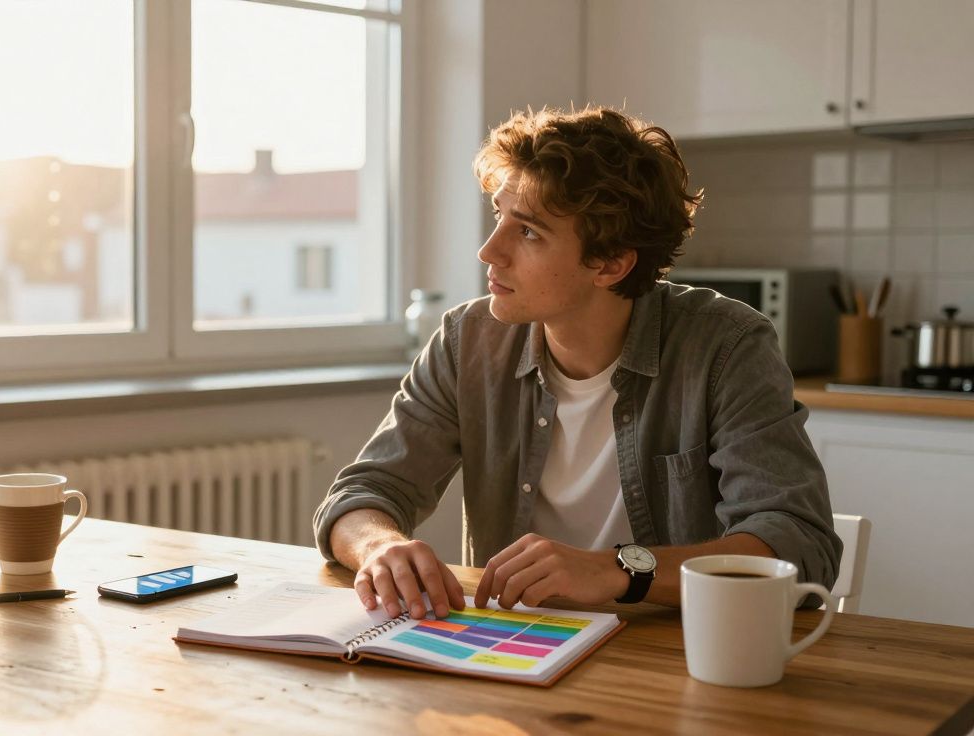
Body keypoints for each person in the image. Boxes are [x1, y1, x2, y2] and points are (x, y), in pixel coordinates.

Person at [312, 106, 841, 620]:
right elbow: (362, 495)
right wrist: (380, 547)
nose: (489, 251)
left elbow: (796, 544)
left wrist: (619, 570)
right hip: (517, 648)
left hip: (677, 658)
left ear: (610, 264)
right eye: (500, 216)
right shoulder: (467, 341)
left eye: (528, 232)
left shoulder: (726, 347)